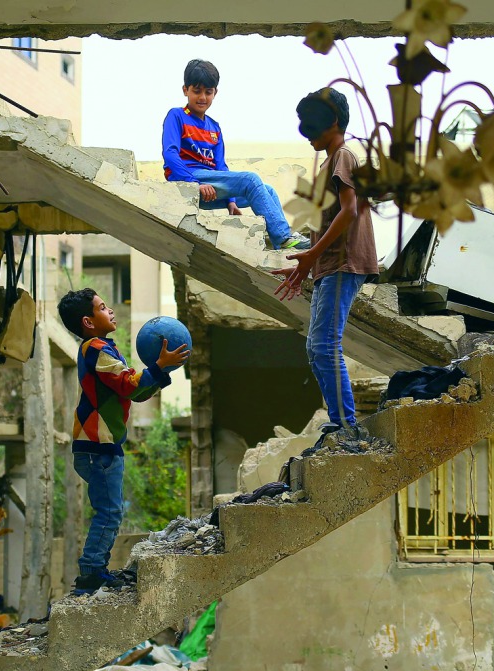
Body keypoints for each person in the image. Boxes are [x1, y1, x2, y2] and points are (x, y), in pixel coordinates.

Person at [57, 288, 190, 595]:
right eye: (103, 307)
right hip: (97, 444)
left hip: (103, 444)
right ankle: (91, 572)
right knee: (108, 511)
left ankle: (95, 570)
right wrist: (157, 367)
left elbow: (134, 392)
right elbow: (127, 384)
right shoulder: (96, 348)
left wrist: (160, 371)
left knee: (109, 510)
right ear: (89, 322)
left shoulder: (105, 349)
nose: (111, 310)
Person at [273, 88, 378, 439]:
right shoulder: (331, 161)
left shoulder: (342, 156)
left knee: (324, 345)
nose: (306, 130)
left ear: (332, 121)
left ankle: (347, 426)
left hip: (343, 263)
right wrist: (306, 262)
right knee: (316, 346)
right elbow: (333, 216)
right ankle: (341, 421)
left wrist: (313, 256)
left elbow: (349, 211)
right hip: (328, 265)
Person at [162, 58, 310, 251]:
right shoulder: (176, 115)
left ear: (215, 93)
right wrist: (195, 183)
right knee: (250, 179)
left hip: (212, 187)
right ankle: (284, 236)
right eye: (196, 91)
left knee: (268, 190)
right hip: (187, 181)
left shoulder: (214, 127)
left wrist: (231, 201)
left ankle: (281, 247)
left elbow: (220, 167)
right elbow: (170, 154)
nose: (202, 97)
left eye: (208, 92)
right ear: (185, 90)